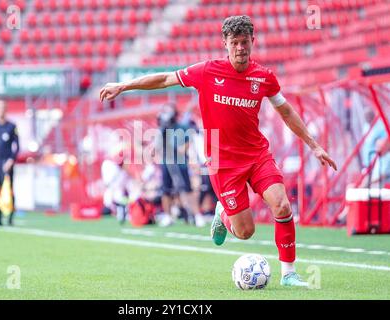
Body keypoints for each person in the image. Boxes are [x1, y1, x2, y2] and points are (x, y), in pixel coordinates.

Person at [99, 15, 337, 287]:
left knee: (282, 204)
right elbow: (165, 79)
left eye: (244, 42)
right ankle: (222, 214)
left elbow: (285, 110)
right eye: (234, 43)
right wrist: (123, 85)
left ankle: (289, 274)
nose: (240, 48)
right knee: (246, 232)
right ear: (225, 43)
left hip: (258, 156)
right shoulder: (207, 71)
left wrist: (315, 145)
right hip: (223, 164)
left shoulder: (264, 77)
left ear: (252, 42)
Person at [155, 103, 206, 227]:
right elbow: (157, 147)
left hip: (181, 163)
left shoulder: (182, 127)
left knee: (187, 189)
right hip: (166, 163)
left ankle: (197, 215)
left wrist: (180, 149)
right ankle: (167, 216)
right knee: (166, 191)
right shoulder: (162, 130)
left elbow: (188, 142)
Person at [0, 100, 19, 226]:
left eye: (2, 108)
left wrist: (11, 160)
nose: (0, 110)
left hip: (6, 162)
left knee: (9, 189)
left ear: (6, 110)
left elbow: (17, 146)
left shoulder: (12, 126)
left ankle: (10, 218)